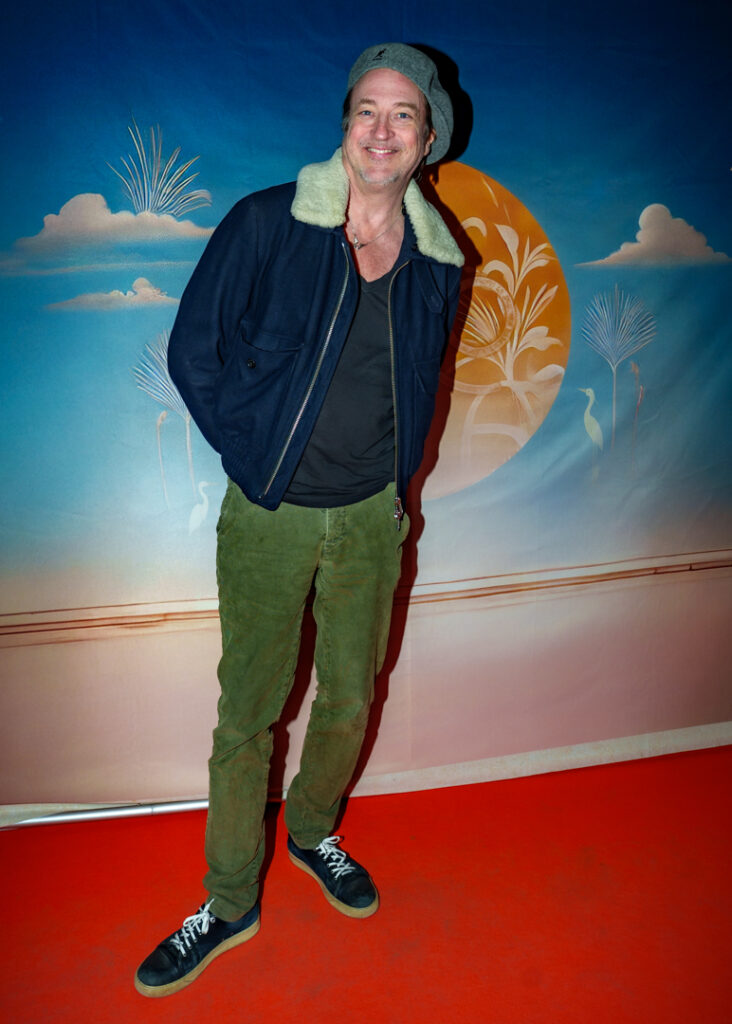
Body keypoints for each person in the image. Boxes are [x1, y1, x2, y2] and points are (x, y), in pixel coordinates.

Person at [135, 42, 464, 998]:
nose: (381, 130)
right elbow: (194, 350)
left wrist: (397, 486)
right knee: (248, 714)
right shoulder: (268, 222)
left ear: (427, 139)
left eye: (403, 115)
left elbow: (419, 384)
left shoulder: (440, 261)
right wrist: (254, 455)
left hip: (370, 519)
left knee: (351, 696)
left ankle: (314, 832)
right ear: (345, 124)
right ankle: (229, 898)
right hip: (271, 515)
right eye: (367, 109)